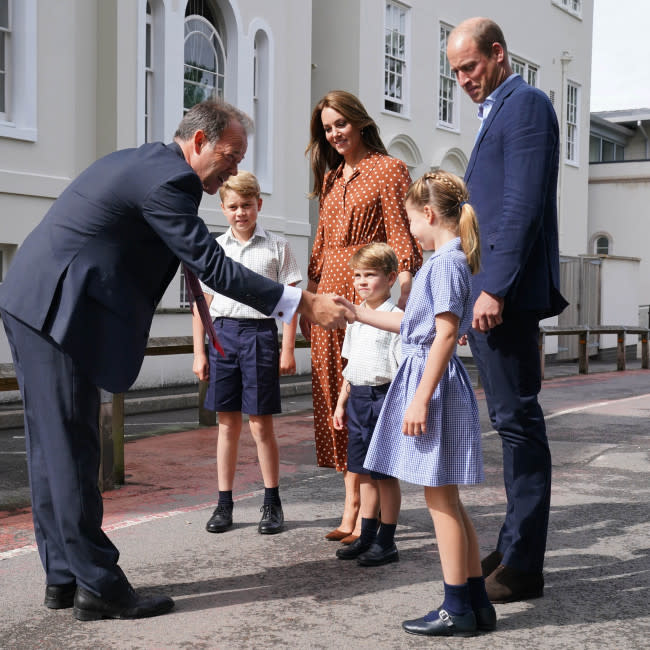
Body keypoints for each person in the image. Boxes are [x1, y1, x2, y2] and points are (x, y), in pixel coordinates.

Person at [0, 99, 351, 621]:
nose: (235, 168)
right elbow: (213, 266)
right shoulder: (170, 182)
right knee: (71, 449)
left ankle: (65, 577)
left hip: (36, 301)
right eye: (231, 156)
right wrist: (302, 303)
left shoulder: (150, 163)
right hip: (57, 309)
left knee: (52, 450)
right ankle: (98, 586)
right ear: (201, 142)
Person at [446, 18, 568, 603]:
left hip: (506, 296)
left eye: (469, 67)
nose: (463, 80)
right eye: (455, 72)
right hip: (494, 293)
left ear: (498, 54)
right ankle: (512, 545)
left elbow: (519, 205)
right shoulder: (500, 109)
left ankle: (523, 563)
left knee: (519, 426)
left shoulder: (527, 104)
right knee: (511, 424)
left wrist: (491, 288)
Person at [344, 171, 496, 637]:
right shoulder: (445, 260)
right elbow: (416, 330)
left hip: (431, 385)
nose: (410, 231)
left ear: (428, 215)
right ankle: (474, 603)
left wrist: (420, 399)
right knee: (445, 498)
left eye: (411, 222)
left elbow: (446, 334)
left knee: (439, 500)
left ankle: (457, 607)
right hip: (427, 378)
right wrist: (356, 313)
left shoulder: (444, 263)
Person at [302, 90, 422, 543]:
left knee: (364, 397)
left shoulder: (388, 170)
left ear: (359, 121)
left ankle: (364, 509)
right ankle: (349, 500)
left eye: (340, 124)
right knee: (335, 398)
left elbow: (401, 234)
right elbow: (319, 246)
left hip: (365, 297)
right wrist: (308, 299)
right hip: (327, 301)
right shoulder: (332, 179)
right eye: (327, 128)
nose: (334, 134)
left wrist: (406, 286)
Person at [191, 171, 302, 536]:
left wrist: (288, 348)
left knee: (260, 424)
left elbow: (290, 302)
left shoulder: (277, 247)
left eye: (247, 205)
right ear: (222, 208)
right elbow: (201, 307)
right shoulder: (215, 249)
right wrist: (200, 353)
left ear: (259, 205)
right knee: (227, 424)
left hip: (259, 336)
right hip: (222, 335)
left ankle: (272, 501)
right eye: (233, 206)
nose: (241, 213)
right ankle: (224, 503)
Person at [332, 243, 402, 566]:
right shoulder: (355, 318)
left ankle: (387, 541)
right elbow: (351, 366)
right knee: (361, 472)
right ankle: (367, 534)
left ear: (390, 278)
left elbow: (402, 369)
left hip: (383, 399)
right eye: (357, 275)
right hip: (358, 398)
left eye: (370, 275)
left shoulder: (396, 319)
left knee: (384, 474)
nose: (361, 282)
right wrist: (341, 403)